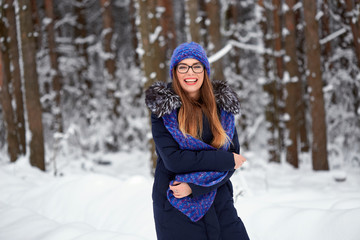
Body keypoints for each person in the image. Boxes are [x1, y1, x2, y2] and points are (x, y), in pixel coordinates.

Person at [145, 42, 250, 240]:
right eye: (183, 67)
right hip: (176, 202)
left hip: (218, 198)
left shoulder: (222, 109)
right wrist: (225, 160)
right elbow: (174, 160)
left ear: (204, 70)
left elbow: (232, 159)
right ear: (175, 72)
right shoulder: (163, 111)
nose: (189, 72)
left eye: (196, 66)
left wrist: (195, 186)